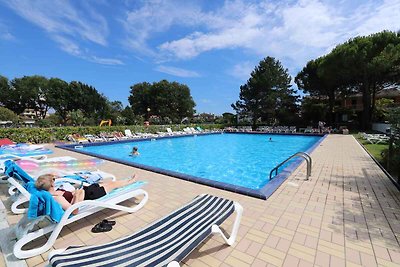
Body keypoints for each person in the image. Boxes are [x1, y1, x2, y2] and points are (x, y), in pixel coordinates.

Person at [35, 173, 137, 215]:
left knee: (106, 183)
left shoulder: (52, 193)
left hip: (86, 191)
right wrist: (76, 196)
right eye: (53, 180)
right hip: (90, 196)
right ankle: (130, 182)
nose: (55, 181)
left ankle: (127, 181)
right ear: (51, 185)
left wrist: (75, 191)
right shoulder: (56, 198)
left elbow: (68, 197)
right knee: (113, 184)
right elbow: (74, 211)